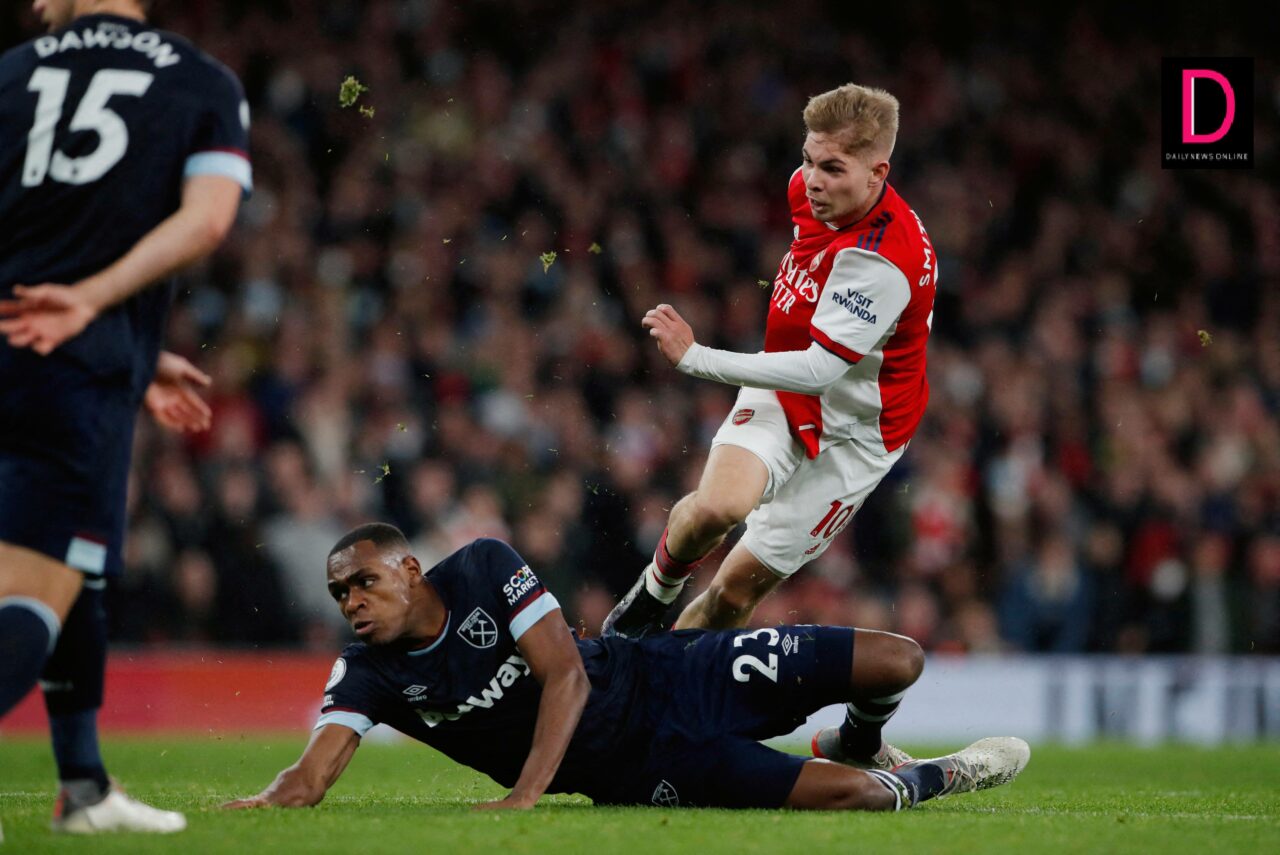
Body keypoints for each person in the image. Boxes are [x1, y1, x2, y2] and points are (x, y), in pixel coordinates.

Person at [226, 524, 1028, 813]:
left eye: (362, 582)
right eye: (339, 593)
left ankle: (857, 736)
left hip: (668, 674)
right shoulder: (367, 671)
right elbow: (310, 777)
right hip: (646, 770)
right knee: (859, 797)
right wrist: (253, 804)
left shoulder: (480, 566)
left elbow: (566, 675)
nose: (352, 602)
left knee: (896, 659)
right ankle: (951, 773)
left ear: (407, 568)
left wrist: (525, 792)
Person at [602, 83, 937, 763]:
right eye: (808, 160)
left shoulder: (883, 261)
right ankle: (650, 596)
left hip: (855, 437)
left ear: (879, 172)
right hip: (783, 390)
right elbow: (803, 365)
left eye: (832, 168)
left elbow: (820, 369)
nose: (813, 181)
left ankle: (664, 709)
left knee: (735, 590)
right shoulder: (807, 192)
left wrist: (694, 357)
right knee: (719, 506)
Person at [0, 0, 251, 834]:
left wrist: (137, 357)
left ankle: (83, 786)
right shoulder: (199, 82)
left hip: (32, 347)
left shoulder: (9, 74)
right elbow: (208, 218)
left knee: (77, 571)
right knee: (33, 591)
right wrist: (94, 306)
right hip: (69, 373)